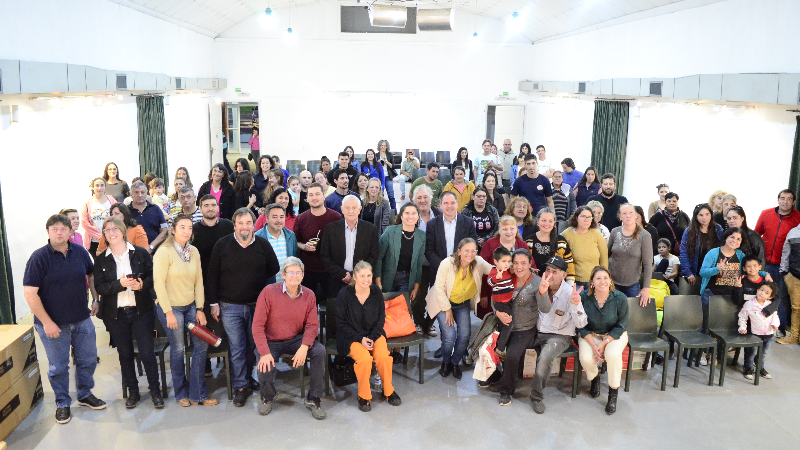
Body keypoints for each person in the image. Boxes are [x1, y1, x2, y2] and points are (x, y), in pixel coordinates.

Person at [23, 214, 104, 424]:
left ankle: (85, 394)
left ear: (70, 232)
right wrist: (47, 322)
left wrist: (95, 299)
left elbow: (91, 275)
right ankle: (62, 403)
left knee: (87, 360)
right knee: (58, 367)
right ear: (48, 232)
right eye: (54, 229)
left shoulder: (79, 251)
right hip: (52, 324)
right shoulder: (38, 258)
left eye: (63, 229)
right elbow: (30, 293)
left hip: (81, 319)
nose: (59, 233)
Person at [207, 208, 280, 407]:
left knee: (253, 347)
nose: (245, 227)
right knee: (237, 348)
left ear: (254, 224)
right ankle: (240, 386)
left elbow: (273, 270)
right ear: (234, 225)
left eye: (248, 223)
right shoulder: (222, 245)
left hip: (257, 307)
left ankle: (250, 379)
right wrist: (213, 304)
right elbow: (212, 276)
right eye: (240, 223)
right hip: (229, 306)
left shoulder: (263, 245)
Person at [94, 217, 162, 409]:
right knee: (125, 354)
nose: (112, 232)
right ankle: (133, 392)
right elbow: (100, 286)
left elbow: (152, 277)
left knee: (147, 353)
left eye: (115, 228)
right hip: (116, 315)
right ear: (104, 235)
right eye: (107, 230)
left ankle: (155, 391)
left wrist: (141, 284)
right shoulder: (101, 260)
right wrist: (120, 285)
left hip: (141, 311)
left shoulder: (139, 253)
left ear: (123, 231)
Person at [153, 214, 217, 406]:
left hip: (190, 306)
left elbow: (199, 282)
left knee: (201, 345)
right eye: (182, 227)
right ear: (173, 229)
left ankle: (198, 393)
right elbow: (159, 284)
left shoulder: (193, 251)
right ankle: (181, 393)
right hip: (171, 308)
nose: (187, 231)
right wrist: (168, 312)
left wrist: (199, 308)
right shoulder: (164, 252)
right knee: (178, 349)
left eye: (190, 227)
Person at [252, 257, 327, 419]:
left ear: (303, 275)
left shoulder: (309, 295)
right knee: (261, 356)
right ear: (283, 275)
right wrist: (265, 352)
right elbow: (257, 325)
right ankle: (268, 396)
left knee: (319, 351)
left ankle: (314, 398)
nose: (294, 276)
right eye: (290, 272)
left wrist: (304, 346)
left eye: (298, 272)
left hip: (295, 339)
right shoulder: (269, 292)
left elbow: (313, 325)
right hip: (272, 340)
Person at [335, 261, 402, 412]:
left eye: (369, 275)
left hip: (374, 334)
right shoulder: (344, 294)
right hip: (351, 336)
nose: (366, 279)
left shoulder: (376, 292)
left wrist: (371, 337)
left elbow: (381, 318)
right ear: (354, 277)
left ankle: (389, 391)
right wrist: (360, 339)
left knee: (383, 357)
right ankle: (364, 396)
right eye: (362, 276)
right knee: (364, 359)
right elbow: (341, 323)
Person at [698, 227, 769, 365]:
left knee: (723, 326)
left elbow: (750, 270)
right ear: (726, 237)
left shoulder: (740, 255)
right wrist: (717, 268)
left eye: (738, 239)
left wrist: (764, 274)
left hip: (731, 296)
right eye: (732, 237)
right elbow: (703, 272)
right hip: (711, 294)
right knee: (706, 325)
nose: (734, 241)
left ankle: (715, 353)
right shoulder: (714, 253)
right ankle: (703, 352)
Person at [426, 238, 493, 380]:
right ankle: (446, 361)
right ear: (459, 251)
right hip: (442, 302)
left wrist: (512, 268)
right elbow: (438, 289)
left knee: (464, 335)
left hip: (462, 304)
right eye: (466, 250)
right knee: (449, 336)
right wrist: (447, 310)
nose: (470, 254)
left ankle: (455, 362)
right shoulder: (447, 264)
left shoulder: (478, 262)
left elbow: (493, 271)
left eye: (473, 251)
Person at [528, 255, 587, 413]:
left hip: (559, 336)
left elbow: (581, 323)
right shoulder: (540, 286)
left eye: (555, 272)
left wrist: (575, 305)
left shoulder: (570, 293)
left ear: (564, 275)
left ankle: (536, 397)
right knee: (513, 345)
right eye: (547, 270)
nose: (550, 275)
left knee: (545, 358)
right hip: (537, 331)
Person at [577, 266, 628, 415]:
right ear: (592, 282)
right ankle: (594, 378)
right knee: (586, 357)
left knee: (613, 355)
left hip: (614, 335)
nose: (602, 281)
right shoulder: (584, 297)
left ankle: (613, 394)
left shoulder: (620, 298)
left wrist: (604, 343)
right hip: (590, 334)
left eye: (605, 278)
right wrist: (594, 345)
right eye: (598, 278)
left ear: (610, 280)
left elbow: (621, 325)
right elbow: (581, 325)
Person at [754, 189, 800, 337]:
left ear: (793, 202)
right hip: (764, 263)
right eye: (782, 198)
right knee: (761, 293)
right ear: (778, 200)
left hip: (784, 266)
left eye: (789, 199)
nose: (785, 201)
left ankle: (780, 326)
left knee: (781, 296)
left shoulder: (798, 218)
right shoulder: (765, 214)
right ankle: (757, 323)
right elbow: (756, 235)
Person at [320, 195, 380, 298]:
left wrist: (355, 275)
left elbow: (373, 256)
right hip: (337, 281)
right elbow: (325, 256)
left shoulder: (371, 229)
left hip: (362, 281)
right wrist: (343, 274)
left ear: (360, 209)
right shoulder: (331, 229)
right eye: (347, 208)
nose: (351, 211)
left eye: (354, 208)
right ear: (342, 209)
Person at [295, 183, 342, 302]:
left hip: (330, 271)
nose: (314, 198)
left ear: (324, 196)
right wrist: (304, 246)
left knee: (331, 307)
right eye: (311, 195)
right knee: (308, 306)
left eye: (317, 194)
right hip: (308, 271)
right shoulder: (301, 219)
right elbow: (296, 241)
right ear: (307, 198)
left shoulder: (336, 217)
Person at [376, 203, 426, 306]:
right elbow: (379, 257)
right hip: (388, 278)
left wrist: (416, 288)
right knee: (386, 310)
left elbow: (419, 264)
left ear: (418, 217)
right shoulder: (390, 231)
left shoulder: (421, 236)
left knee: (401, 311)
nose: (410, 216)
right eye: (407, 213)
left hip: (407, 280)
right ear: (401, 216)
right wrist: (378, 282)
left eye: (414, 213)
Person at [425, 191, 479, 282]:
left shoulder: (468, 223)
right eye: (446, 203)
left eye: (452, 203)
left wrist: (460, 265)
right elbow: (429, 251)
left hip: (462, 273)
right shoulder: (432, 224)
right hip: (439, 273)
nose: (449, 206)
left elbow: (473, 246)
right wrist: (444, 266)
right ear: (440, 205)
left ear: (457, 204)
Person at [607, 204, 653, 304]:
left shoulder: (645, 235)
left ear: (636, 215)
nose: (628, 216)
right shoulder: (614, 232)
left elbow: (648, 264)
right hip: (612, 283)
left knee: (631, 315)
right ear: (620, 217)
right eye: (624, 213)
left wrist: (646, 288)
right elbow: (606, 254)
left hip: (632, 284)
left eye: (631, 213)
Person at [191, 194, 234, 297]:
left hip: (226, 281)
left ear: (218, 208)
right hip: (202, 281)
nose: (210, 208)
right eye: (206, 206)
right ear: (200, 209)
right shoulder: (193, 230)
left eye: (213, 205)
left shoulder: (229, 226)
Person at [738, 282, 780, 380]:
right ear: (757, 290)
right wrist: (742, 327)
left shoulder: (770, 305)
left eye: (766, 293)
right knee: (752, 352)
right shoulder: (749, 304)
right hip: (755, 334)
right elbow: (742, 317)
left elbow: (775, 316)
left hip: (769, 334)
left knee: (763, 353)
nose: (762, 293)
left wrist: (775, 324)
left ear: (770, 297)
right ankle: (748, 368)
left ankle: (760, 368)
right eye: (761, 290)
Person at [561, 206, 608, 290]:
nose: (586, 219)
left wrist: (603, 278)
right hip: (575, 282)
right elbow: (560, 257)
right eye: (583, 216)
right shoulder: (567, 234)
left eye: (589, 217)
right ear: (576, 218)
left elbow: (604, 259)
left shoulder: (597, 234)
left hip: (594, 281)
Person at [679, 203, 723, 289]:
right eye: (701, 215)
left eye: (707, 214)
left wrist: (720, 269)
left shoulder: (717, 229)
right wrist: (688, 272)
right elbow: (684, 253)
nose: (704, 218)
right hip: (695, 271)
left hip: (713, 271)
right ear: (696, 216)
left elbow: (723, 250)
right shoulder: (689, 231)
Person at [525, 208, 575, 283]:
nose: (547, 224)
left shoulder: (561, 241)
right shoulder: (529, 241)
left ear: (554, 223)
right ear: (538, 221)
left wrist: (570, 285)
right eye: (543, 220)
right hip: (534, 284)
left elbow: (569, 264)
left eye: (550, 221)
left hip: (556, 285)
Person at [255, 203, 298, 284]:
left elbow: (295, 261)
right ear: (267, 218)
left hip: (288, 287)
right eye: (274, 217)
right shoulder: (257, 238)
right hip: (266, 288)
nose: (279, 220)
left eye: (281, 217)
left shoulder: (291, 236)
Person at [487, 247, 515, 357]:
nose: (507, 264)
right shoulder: (495, 272)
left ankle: (496, 342)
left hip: (508, 301)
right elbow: (490, 282)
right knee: (509, 323)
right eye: (504, 261)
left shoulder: (507, 271)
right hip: (501, 303)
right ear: (496, 262)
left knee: (503, 324)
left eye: (509, 261)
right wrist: (496, 278)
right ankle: (501, 348)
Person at [128, 181, 168, 254]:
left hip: (156, 252)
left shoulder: (156, 209)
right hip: (133, 254)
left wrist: (151, 247)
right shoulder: (126, 211)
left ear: (147, 194)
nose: (140, 195)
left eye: (142, 192)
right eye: (136, 192)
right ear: (131, 194)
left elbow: (164, 231)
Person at [81, 177, 118, 255]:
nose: (99, 188)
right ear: (92, 187)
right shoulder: (88, 203)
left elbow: (119, 218)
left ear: (105, 187)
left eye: (102, 185)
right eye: (97, 185)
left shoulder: (112, 201)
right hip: (94, 242)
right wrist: (99, 237)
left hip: (111, 240)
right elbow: (84, 223)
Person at [778, 222, 800, 344]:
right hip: (794, 275)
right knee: (796, 307)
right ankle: (794, 336)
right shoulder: (793, 232)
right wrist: (784, 272)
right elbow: (785, 253)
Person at [376, 140, 397, 210]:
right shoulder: (376, 155)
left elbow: (393, 166)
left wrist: (387, 162)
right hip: (379, 177)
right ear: (379, 146)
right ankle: (381, 212)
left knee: (391, 196)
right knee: (380, 196)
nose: (383, 147)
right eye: (382, 145)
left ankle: (395, 213)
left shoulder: (389, 155)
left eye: (385, 146)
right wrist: (378, 162)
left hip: (388, 177)